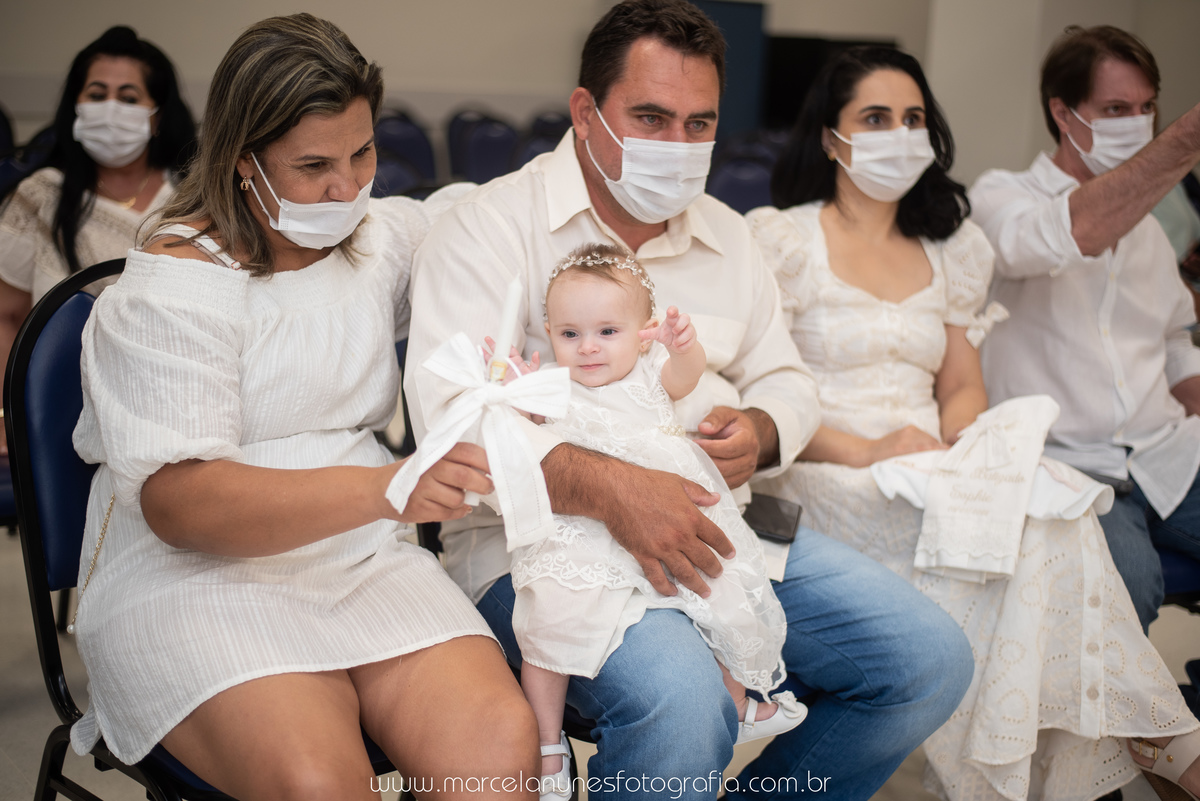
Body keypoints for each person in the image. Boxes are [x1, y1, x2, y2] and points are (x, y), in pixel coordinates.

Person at [406, 2, 974, 799]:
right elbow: (455, 422)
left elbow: (788, 380)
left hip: (721, 530)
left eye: (698, 124)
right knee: (684, 696)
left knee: (926, 661)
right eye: (651, 118)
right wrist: (615, 489)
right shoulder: (488, 228)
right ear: (585, 112)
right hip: (542, 549)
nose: (677, 146)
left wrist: (761, 429)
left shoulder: (728, 236)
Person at [68, 14, 537, 800]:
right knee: (316, 782)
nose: (347, 188)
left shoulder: (376, 239)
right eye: (313, 165)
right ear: (240, 160)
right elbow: (182, 503)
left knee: (498, 747)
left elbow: (498, 213)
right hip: (192, 576)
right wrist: (390, 487)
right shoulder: (172, 289)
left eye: (363, 153)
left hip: (359, 555)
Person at [748, 44, 1200, 801]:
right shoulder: (782, 240)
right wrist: (870, 448)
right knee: (1034, 531)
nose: (899, 135)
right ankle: (1160, 739)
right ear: (830, 137)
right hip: (822, 467)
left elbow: (961, 384)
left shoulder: (951, 247)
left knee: (1048, 499)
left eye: (913, 119)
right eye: (875, 118)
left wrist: (960, 438)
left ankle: (1113, 746)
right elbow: (766, 395)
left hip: (926, 462)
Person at [508, 244, 805, 797]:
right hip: (581, 533)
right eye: (570, 334)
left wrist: (683, 347)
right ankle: (546, 744)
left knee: (719, 591)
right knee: (549, 619)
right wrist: (519, 392)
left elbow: (686, 377)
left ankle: (737, 700)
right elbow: (518, 435)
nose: (588, 347)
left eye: (607, 332)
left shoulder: (648, 375)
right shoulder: (552, 383)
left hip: (668, 520)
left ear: (643, 334)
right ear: (549, 333)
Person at [969, 26, 1200, 635]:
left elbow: (1174, 337)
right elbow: (1074, 233)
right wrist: (1186, 137)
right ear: (1062, 113)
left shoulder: (1150, 230)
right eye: (1116, 109)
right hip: (1064, 464)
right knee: (1126, 590)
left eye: (1147, 108)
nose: (1138, 124)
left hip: (1166, 451)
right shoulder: (1000, 198)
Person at [0, 26, 195, 400]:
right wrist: (7, 415)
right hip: (60, 406)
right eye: (96, 95)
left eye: (128, 98)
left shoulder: (194, 198)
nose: (110, 109)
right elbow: (5, 317)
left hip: (178, 395)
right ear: (76, 107)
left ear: (156, 117)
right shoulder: (39, 197)